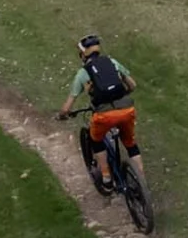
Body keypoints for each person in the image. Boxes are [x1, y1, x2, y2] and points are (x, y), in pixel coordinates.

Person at [57, 34, 138, 191]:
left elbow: (67, 107)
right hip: (127, 110)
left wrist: (62, 115)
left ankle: (106, 179)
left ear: (83, 54)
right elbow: (133, 85)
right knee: (130, 144)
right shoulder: (112, 62)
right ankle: (141, 179)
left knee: (96, 139)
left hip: (103, 115)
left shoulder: (83, 73)